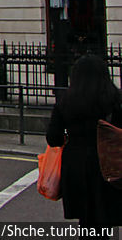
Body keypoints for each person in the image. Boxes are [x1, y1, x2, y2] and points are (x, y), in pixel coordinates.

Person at [46, 55, 122, 229]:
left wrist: (67, 132)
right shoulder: (114, 100)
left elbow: (53, 138)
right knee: (103, 219)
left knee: (85, 220)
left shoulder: (66, 101)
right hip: (108, 163)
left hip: (76, 164)